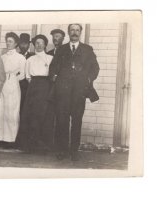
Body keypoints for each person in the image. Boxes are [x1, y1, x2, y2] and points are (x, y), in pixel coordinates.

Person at [49, 24, 100, 161]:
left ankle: (74, 151)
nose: (75, 33)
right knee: (62, 121)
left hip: (79, 92)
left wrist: (88, 79)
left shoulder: (87, 50)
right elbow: (53, 66)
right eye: (72, 30)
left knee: (77, 121)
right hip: (63, 92)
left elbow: (95, 68)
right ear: (68, 32)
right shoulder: (61, 49)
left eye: (77, 30)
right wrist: (55, 78)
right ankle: (62, 150)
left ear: (80, 32)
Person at [16, 34, 55, 153]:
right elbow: (27, 76)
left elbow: (52, 75)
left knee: (44, 115)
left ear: (45, 44)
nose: (38, 45)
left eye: (41, 42)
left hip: (46, 87)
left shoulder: (50, 58)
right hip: (33, 88)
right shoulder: (29, 60)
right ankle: (30, 145)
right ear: (34, 45)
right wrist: (34, 85)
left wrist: (45, 86)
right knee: (31, 115)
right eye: (36, 43)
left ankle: (43, 145)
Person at [0, 32, 26, 147]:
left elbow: (22, 74)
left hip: (13, 84)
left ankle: (10, 139)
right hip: (2, 84)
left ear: (16, 43)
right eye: (7, 41)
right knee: (0, 110)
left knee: (11, 111)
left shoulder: (21, 58)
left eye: (11, 41)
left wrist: (12, 79)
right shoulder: (2, 57)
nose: (8, 43)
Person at [18, 33, 34, 116]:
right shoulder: (16, 56)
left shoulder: (32, 56)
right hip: (17, 86)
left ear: (29, 45)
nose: (23, 46)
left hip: (28, 88)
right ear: (18, 44)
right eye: (22, 43)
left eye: (26, 44)